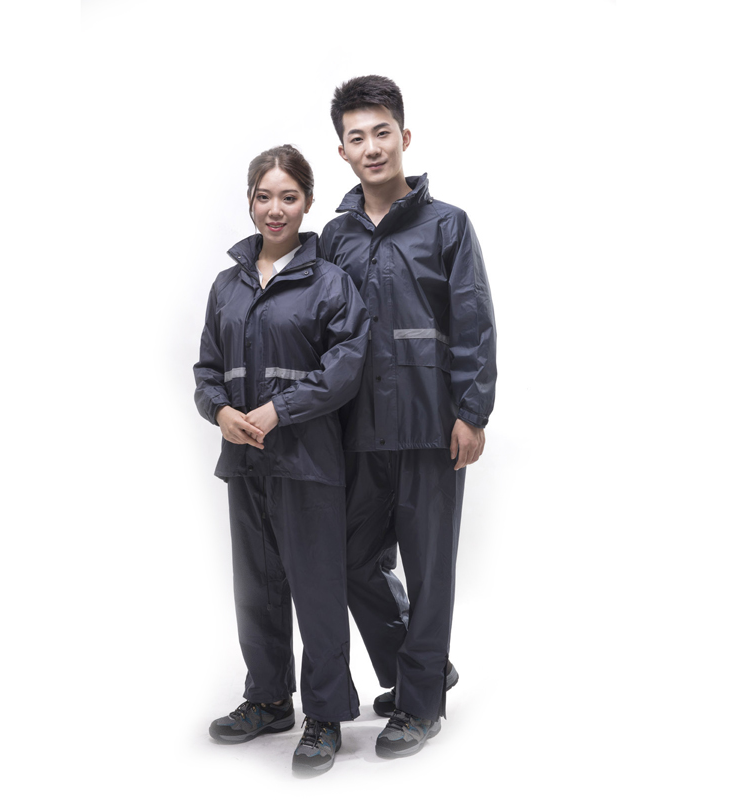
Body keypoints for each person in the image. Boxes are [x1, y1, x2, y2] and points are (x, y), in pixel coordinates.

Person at [319, 76, 497, 758]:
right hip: (357, 430)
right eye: (356, 137)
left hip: (431, 426)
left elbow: (473, 319)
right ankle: (421, 668)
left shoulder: (446, 224)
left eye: (382, 132)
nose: (372, 147)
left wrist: (472, 412)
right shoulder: (334, 238)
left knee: (429, 569)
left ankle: (419, 706)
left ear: (405, 137)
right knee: (350, 559)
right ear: (342, 151)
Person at [194, 144, 370, 776]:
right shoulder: (228, 285)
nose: (275, 209)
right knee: (257, 589)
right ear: (249, 201)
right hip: (244, 462)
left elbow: (346, 367)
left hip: (307, 460)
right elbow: (207, 369)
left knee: (317, 589)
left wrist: (279, 410)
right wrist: (220, 412)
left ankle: (325, 715)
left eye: (288, 197)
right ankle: (268, 699)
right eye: (264, 196)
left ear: (308, 202)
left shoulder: (330, 282)